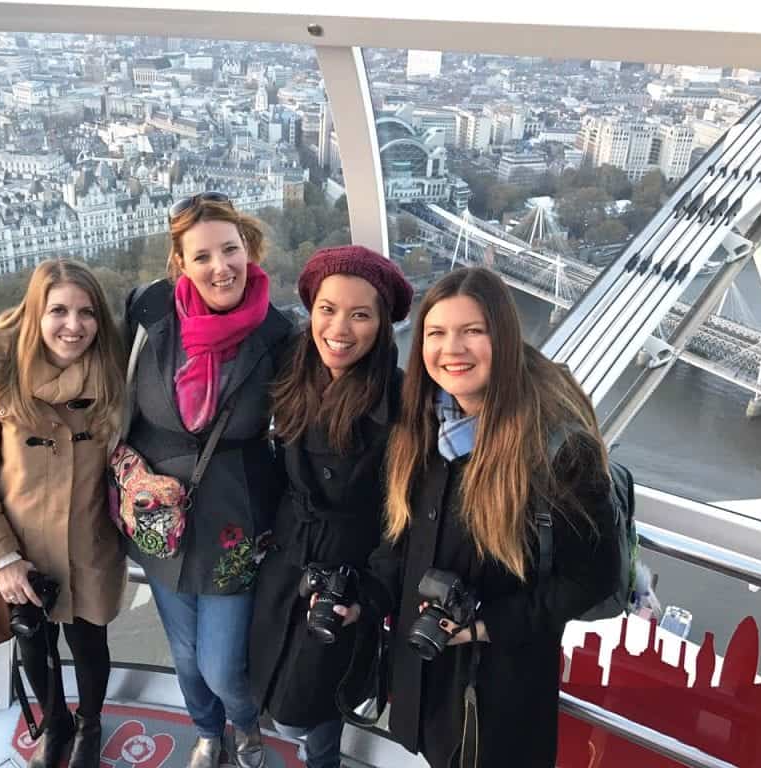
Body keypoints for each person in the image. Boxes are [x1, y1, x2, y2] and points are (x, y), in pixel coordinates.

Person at [334, 267, 620, 768]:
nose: (452, 350)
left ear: (503, 339)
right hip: (425, 673)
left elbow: (593, 577)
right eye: (437, 333)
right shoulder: (422, 423)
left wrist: (486, 626)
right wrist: (361, 599)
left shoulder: (557, 447)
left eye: (472, 331)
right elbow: (402, 540)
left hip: (500, 689)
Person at [121, 192, 291, 768]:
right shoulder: (148, 313)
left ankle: (245, 723)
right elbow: (91, 375)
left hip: (235, 518)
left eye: (230, 250)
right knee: (186, 652)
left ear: (250, 249)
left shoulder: (277, 333)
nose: (220, 267)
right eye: (203, 256)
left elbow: (309, 415)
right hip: (158, 515)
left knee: (221, 660)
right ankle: (207, 731)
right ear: (181, 264)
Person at [0, 259, 127, 768]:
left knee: (90, 641)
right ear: (35, 313)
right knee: (34, 643)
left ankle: (90, 723)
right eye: (59, 311)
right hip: (21, 550)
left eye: (86, 312)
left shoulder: (112, 380)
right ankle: (57, 723)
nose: (74, 326)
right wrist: (2, 558)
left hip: (90, 543)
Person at [249, 246, 413, 768]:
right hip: (286, 559)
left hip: (348, 574)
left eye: (360, 314)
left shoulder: (403, 404)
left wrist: (371, 595)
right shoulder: (296, 371)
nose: (339, 328)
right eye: (327, 309)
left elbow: (404, 518)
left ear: (382, 324)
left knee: (313, 705)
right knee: (274, 687)